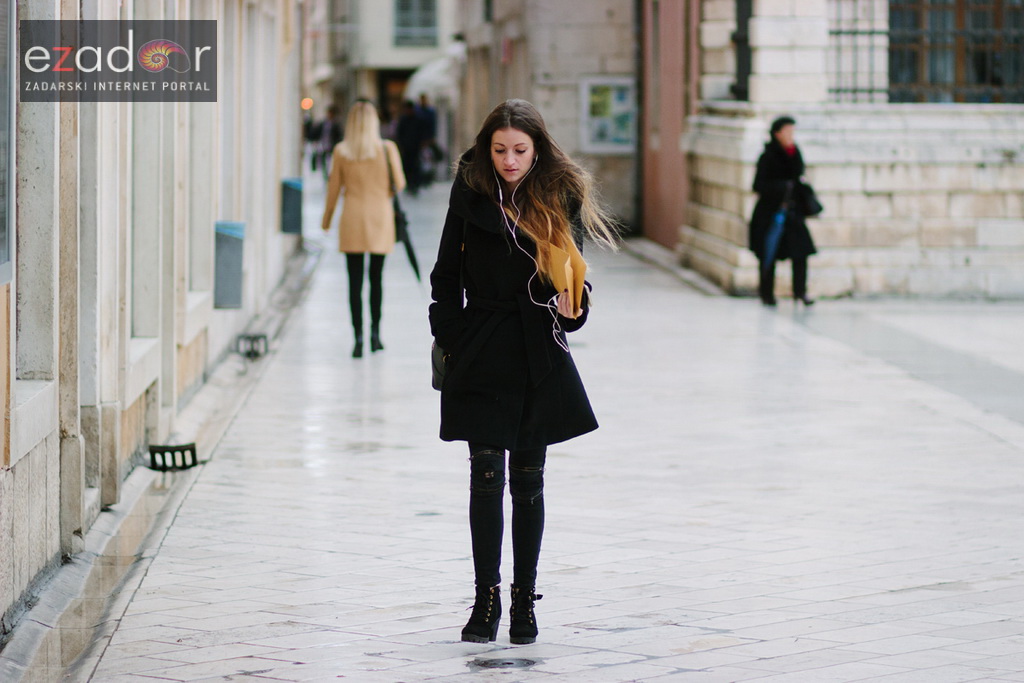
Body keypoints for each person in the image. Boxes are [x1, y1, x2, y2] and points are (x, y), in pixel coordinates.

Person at [428, 99, 617, 645]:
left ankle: (522, 601)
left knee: (528, 482)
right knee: (485, 478)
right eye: (500, 150)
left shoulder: (559, 195)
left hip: (537, 350)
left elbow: (574, 279)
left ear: (537, 149)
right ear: (487, 150)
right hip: (483, 346)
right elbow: (445, 274)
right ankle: (485, 598)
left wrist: (572, 310)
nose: (509, 161)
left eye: (519, 150)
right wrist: (453, 337)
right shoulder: (469, 195)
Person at [321, 100, 406, 358]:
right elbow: (400, 183)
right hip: (380, 217)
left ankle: (357, 338)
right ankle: (375, 334)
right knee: (376, 279)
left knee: (354, 282)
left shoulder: (341, 151)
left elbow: (333, 190)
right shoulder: (387, 148)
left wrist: (326, 220)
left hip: (352, 219)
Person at [749, 116, 817, 306]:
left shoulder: (795, 153)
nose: (790, 136)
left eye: (792, 132)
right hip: (771, 214)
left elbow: (799, 176)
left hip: (793, 214)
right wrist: (782, 187)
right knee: (768, 254)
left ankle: (800, 291)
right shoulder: (768, 156)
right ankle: (767, 293)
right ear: (777, 133)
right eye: (787, 132)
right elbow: (758, 185)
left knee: (801, 253)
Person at [396, 100, 424, 195]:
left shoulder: (418, 119)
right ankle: (409, 185)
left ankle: (415, 185)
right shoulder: (403, 120)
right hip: (406, 148)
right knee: (407, 166)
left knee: (415, 166)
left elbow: (421, 133)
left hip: (415, 148)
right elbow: (399, 134)